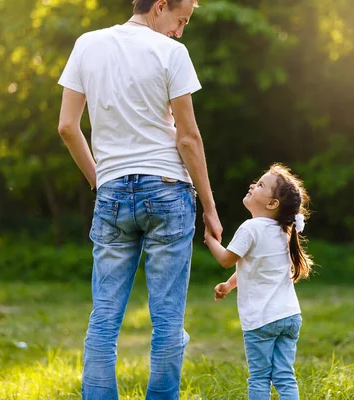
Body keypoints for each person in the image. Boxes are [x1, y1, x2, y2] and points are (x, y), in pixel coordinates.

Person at [57, 0, 222, 398]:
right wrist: (210, 207)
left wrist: (102, 181)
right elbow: (187, 137)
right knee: (167, 321)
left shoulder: (87, 44)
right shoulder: (171, 54)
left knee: (104, 317)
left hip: (112, 192)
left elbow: (66, 127)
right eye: (180, 21)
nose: (179, 31)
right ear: (160, 5)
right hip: (167, 190)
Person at [204, 163, 313, 400]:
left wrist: (209, 239)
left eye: (261, 184)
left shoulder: (251, 228)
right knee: (285, 376)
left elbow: (225, 259)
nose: (253, 185)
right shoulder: (283, 231)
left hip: (261, 321)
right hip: (289, 316)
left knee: (259, 378)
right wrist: (229, 285)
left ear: (272, 203)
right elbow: (255, 269)